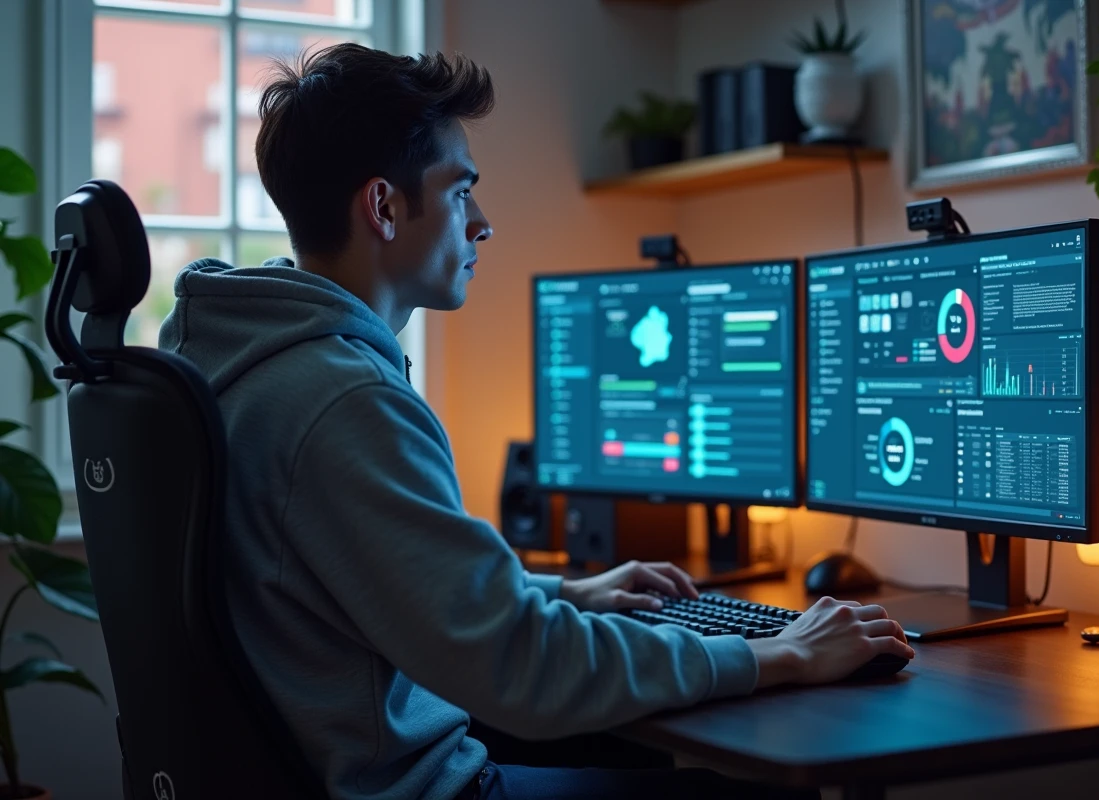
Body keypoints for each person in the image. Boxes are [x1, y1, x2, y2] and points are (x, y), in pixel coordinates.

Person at [158, 43, 913, 800]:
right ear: (384, 206)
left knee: (637, 754)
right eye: (460, 193)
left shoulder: (254, 367)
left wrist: (562, 594)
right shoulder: (343, 402)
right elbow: (523, 671)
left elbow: (398, 594)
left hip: (342, 769)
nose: (481, 223)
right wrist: (779, 653)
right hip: (422, 790)